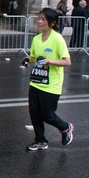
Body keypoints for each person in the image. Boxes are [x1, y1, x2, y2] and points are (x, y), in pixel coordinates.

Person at [21, 8, 73, 151]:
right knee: (34, 114)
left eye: (44, 19)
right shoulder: (36, 39)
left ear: (52, 23)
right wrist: (27, 60)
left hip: (51, 85)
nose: (39, 22)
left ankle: (65, 127)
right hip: (36, 82)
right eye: (39, 18)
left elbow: (67, 61)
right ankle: (40, 141)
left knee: (47, 115)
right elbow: (34, 58)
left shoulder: (57, 39)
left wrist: (50, 61)